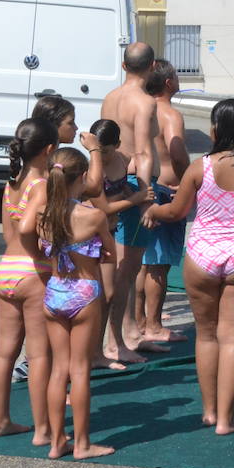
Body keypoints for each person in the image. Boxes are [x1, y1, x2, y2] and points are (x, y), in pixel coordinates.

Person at [143, 98, 234, 435]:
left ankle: (207, 411)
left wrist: (153, 211)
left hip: (202, 253)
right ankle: (226, 420)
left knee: (206, 335)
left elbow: (175, 211)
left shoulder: (199, 167)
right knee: (233, 339)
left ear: (216, 129)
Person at [35, 146, 116, 460]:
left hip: (55, 291)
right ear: (82, 177)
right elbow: (110, 252)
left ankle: (57, 442)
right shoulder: (93, 215)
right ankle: (82, 444)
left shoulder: (44, 214)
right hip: (84, 291)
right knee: (80, 371)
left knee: (59, 371)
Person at [0, 117, 59, 442]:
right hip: (33, 271)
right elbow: (33, 228)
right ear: (49, 150)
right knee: (39, 354)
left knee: (5, 352)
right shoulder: (41, 186)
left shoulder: (11, 184)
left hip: (7, 270)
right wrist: (46, 249)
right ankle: (43, 429)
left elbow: (7, 232)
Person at [98, 43, 162, 364]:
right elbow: (143, 153)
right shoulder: (145, 102)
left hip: (111, 184)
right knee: (124, 270)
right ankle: (115, 342)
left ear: (124, 66)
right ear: (151, 66)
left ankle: (130, 332)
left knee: (123, 267)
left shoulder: (110, 97)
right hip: (133, 184)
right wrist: (146, 199)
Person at [86, 119, 148, 372]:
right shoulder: (94, 168)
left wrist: (132, 194)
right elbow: (103, 207)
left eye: (106, 150)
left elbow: (118, 192)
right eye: (98, 150)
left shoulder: (122, 159)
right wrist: (136, 199)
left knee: (108, 294)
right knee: (94, 296)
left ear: (117, 145)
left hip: (109, 232)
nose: (101, 155)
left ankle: (103, 349)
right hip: (89, 235)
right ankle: (91, 352)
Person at [137, 60, 191, 344]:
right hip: (167, 188)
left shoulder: (140, 108)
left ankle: (139, 320)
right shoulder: (169, 113)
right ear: (169, 82)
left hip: (143, 186)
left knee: (141, 261)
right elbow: (178, 151)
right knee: (159, 263)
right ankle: (154, 325)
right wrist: (189, 181)